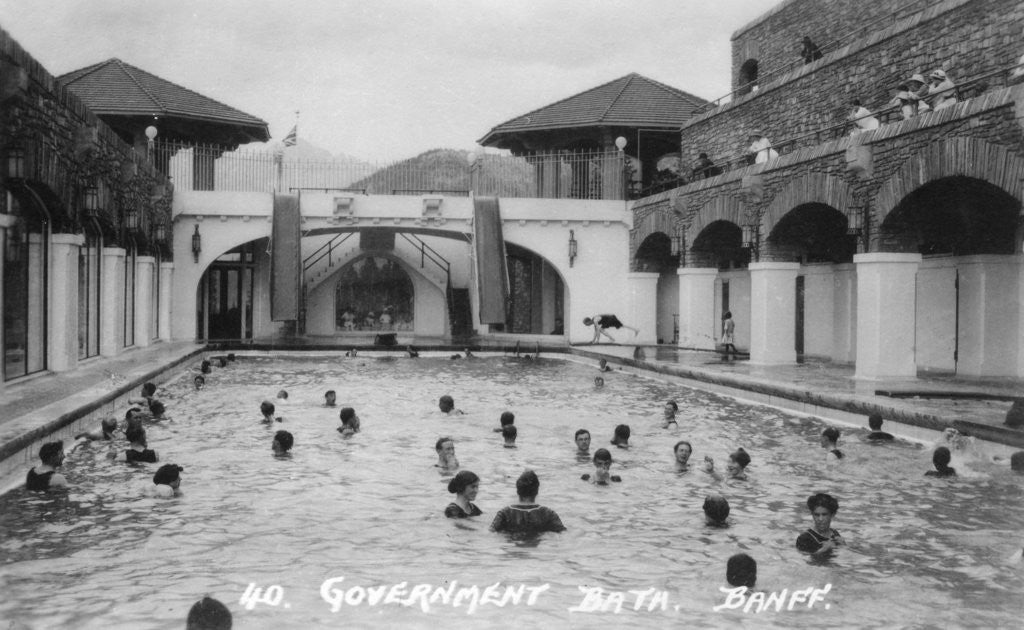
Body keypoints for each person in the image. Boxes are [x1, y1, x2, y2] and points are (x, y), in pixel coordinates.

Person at [490, 470, 566, 534]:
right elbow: (564, 534)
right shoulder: (548, 514)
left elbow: (490, 533)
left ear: (517, 491)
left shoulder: (504, 513)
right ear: (537, 491)